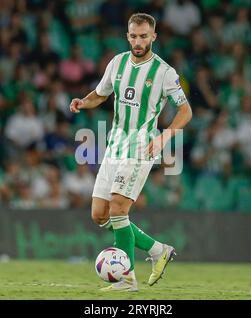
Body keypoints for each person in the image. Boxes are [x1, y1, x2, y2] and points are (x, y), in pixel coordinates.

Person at [69, 13, 192, 292]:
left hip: (142, 146)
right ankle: (158, 250)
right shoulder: (117, 63)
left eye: (144, 36)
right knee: (99, 214)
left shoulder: (165, 72)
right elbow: (101, 93)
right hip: (115, 145)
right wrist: (83, 102)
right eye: (134, 36)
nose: (138, 41)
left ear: (153, 37)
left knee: (118, 208)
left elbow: (186, 111)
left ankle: (127, 279)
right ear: (128, 36)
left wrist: (164, 138)